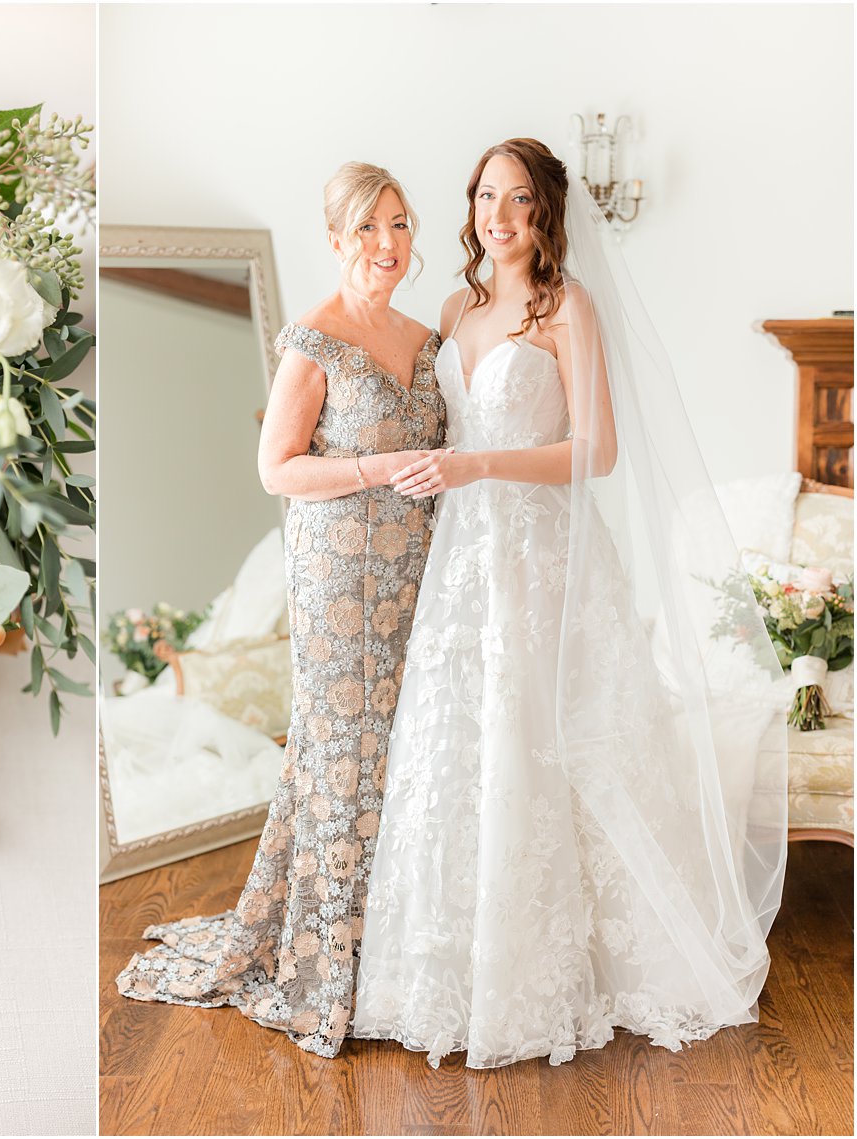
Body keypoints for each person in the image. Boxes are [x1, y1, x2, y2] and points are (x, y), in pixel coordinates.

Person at [351, 139, 788, 1068]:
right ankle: (453, 966)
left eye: (516, 200)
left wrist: (478, 464)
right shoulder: (454, 307)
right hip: (463, 557)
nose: (496, 217)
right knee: (460, 743)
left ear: (546, 212)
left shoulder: (566, 306)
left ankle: (562, 963)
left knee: (545, 736)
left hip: (543, 556)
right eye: (483, 198)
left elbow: (596, 451)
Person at [114, 161, 448, 1058]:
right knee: (340, 752)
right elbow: (278, 469)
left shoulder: (427, 337)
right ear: (337, 240)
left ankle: (401, 946)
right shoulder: (314, 338)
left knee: (404, 747)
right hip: (339, 571)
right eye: (370, 228)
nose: (388, 244)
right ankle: (327, 962)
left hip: (418, 568)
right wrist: (378, 469)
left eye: (401, 225)